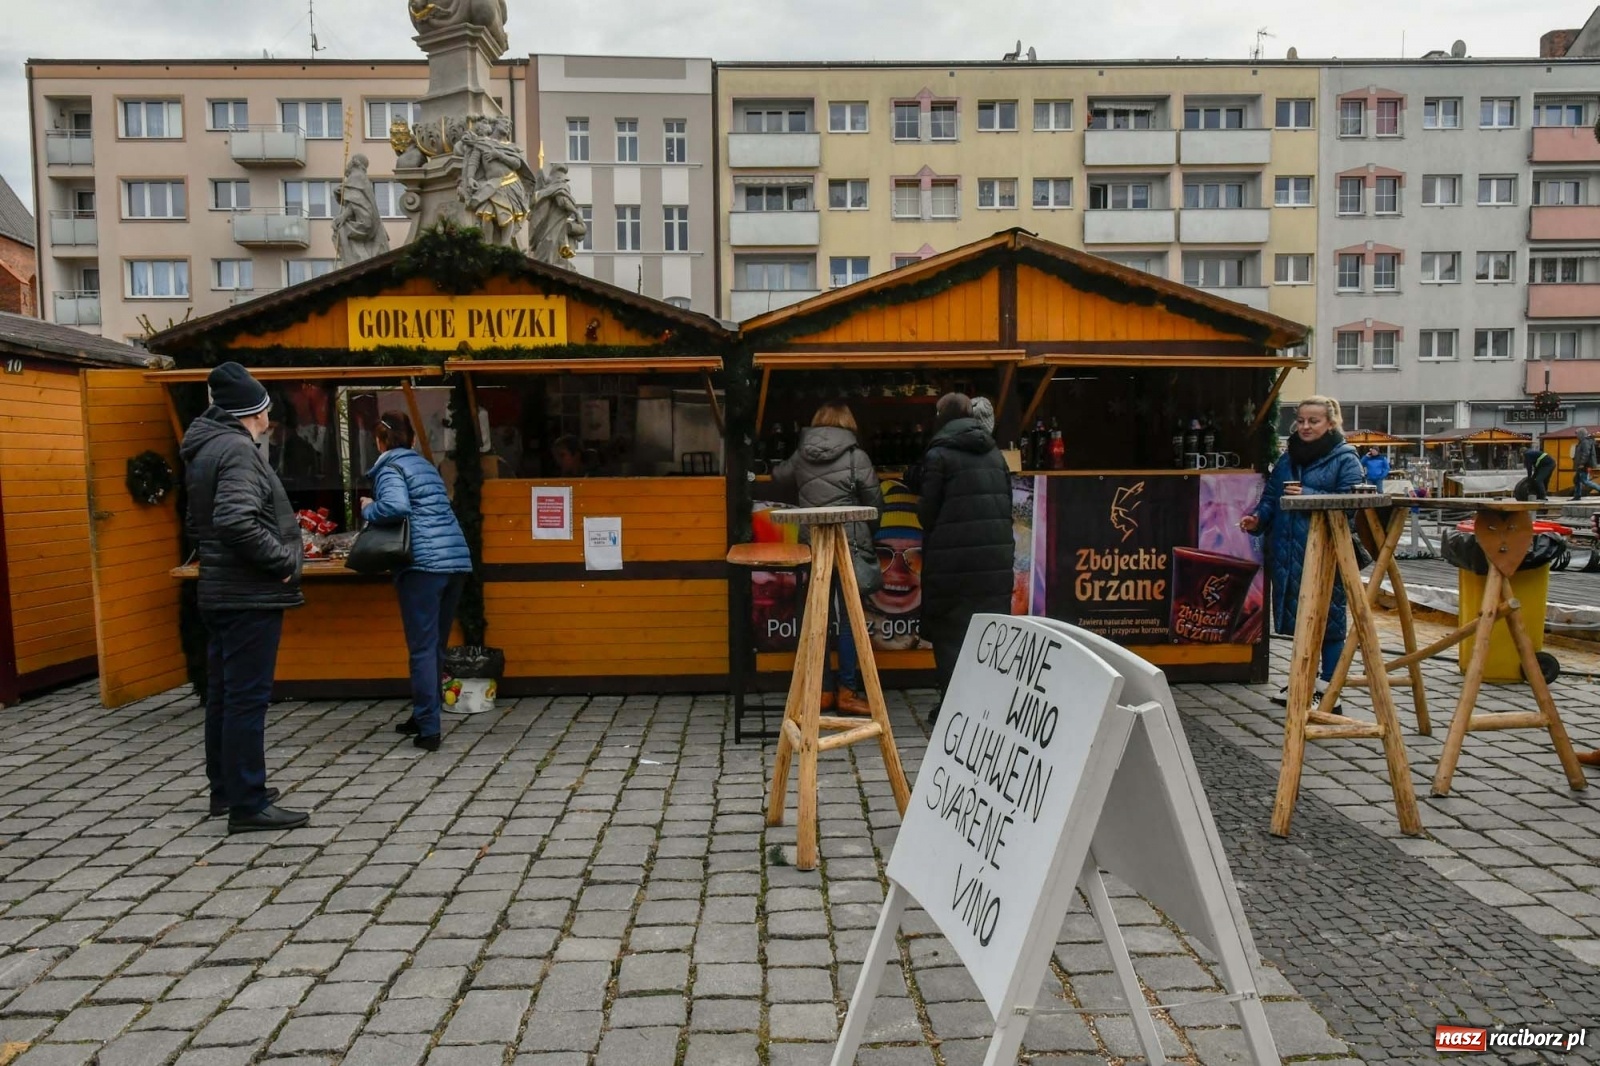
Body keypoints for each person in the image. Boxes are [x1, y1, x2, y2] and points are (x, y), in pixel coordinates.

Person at [180, 362, 309, 834]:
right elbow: (235, 521)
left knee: (225, 696)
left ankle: (226, 789)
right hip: (248, 593)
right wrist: (283, 561)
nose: (268, 420)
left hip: (221, 588)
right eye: (264, 411)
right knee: (246, 700)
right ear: (251, 411)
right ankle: (248, 802)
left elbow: (202, 525)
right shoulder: (235, 450)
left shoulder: (205, 447)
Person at [1239, 396, 1363, 709]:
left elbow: (1354, 502)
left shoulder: (1345, 458)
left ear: (1331, 423)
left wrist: (1309, 494)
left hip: (1326, 551)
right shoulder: (1288, 458)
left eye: (1314, 421)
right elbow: (1271, 498)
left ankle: (1329, 688)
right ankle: (1303, 684)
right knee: (1300, 618)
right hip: (1287, 551)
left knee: (1330, 621)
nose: (1305, 427)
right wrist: (1257, 520)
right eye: (1302, 421)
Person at [360, 412, 474, 752]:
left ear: (379, 441)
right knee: (435, 645)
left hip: (423, 565)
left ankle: (428, 729)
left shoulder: (388, 466)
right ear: (411, 438)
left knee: (422, 648)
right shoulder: (424, 465)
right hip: (454, 560)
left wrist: (368, 507)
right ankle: (425, 711)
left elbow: (395, 506)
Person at [770, 399, 885, 715]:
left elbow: (778, 480)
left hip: (814, 545)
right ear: (848, 425)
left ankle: (821, 693)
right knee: (850, 619)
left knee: (817, 615)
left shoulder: (800, 456)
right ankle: (847, 692)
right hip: (850, 546)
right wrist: (867, 533)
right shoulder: (856, 457)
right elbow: (875, 504)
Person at [917, 393, 1015, 717]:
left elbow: (926, 514)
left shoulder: (939, 455)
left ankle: (955, 710)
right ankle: (986, 709)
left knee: (950, 636)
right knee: (987, 637)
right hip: (994, 562)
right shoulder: (996, 455)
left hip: (952, 564)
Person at [332, 154, 392, 265]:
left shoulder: (356, 176)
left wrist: (344, 216)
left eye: (350, 161)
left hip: (365, 222)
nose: (348, 163)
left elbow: (357, 202)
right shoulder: (361, 177)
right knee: (341, 227)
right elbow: (357, 201)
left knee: (341, 228)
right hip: (369, 220)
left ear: (355, 162)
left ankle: (356, 261)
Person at [1573, 428, 1599, 500]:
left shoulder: (1585, 442)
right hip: (1581, 465)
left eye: (1577, 434)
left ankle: (1577, 495)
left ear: (1581, 434)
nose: (1576, 436)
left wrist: (1582, 463)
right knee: (1576, 480)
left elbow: (1586, 453)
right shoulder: (1582, 442)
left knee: (1585, 481)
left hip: (1584, 465)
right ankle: (1577, 496)